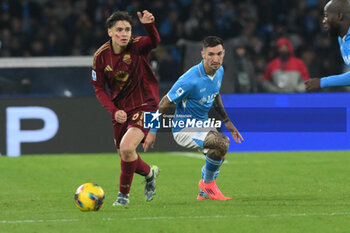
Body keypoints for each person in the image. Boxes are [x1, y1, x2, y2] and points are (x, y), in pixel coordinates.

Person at [154, 36, 244, 200]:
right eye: (210, 54)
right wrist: (152, 130)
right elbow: (164, 101)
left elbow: (215, 94)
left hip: (204, 125)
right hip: (184, 128)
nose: (215, 59)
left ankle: (204, 192)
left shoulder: (219, 71)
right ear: (203, 54)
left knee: (218, 153)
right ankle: (207, 184)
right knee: (222, 142)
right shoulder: (190, 79)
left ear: (223, 53)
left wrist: (227, 121)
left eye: (218, 54)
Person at [91, 10, 160, 207]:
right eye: (119, 30)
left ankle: (123, 196)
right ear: (110, 32)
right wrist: (113, 110)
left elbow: (154, 42)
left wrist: (149, 25)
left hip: (146, 104)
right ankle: (150, 173)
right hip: (120, 109)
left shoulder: (138, 46)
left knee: (128, 148)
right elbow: (98, 88)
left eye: (128, 29)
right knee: (125, 154)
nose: (124, 34)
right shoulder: (101, 57)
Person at [305, 0, 350, 91]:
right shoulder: (341, 38)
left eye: (326, 16)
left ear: (339, 16)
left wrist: (322, 82)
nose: (323, 21)